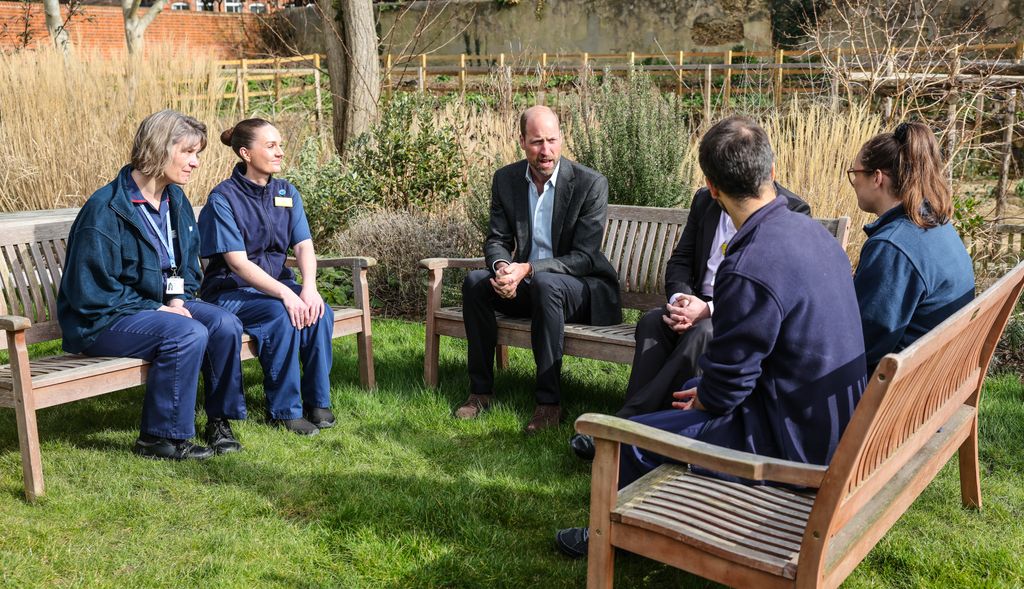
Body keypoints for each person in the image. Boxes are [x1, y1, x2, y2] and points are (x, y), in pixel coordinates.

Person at [555, 115, 867, 557]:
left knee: (627, 443)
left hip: (795, 445)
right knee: (686, 391)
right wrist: (705, 390)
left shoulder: (751, 264)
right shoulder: (816, 236)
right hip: (828, 418)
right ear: (771, 173)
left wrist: (707, 395)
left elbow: (727, 391)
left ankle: (610, 539)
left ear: (712, 187)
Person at [569, 183, 810, 460]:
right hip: (693, 301)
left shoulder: (790, 208)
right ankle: (643, 429)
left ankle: (625, 427)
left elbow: (770, 287)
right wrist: (681, 299)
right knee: (652, 322)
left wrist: (708, 309)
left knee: (703, 333)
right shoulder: (706, 199)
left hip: (739, 312)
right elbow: (681, 259)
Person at [57, 110, 246, 460]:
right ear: (159, 149)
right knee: (186, 333)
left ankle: (218, 422)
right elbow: (91, 294)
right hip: (101, 320)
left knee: (224, 324)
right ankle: (160, 438)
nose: (196, 163)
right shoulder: (106, 209)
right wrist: (158, 308)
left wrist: (177, 300)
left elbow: (187, 267)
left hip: (158, 309)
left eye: (198, 154)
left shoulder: (175, 200)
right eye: (188, 152)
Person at [456, 105, 622, 434]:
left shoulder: (590, 184)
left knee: (546, 283)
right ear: (522, 141)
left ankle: (548, 403)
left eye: (551, 140)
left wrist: (528, 269)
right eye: (536, 142)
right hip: (532, 285)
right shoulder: (506, 180)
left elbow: (584, 257)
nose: (545, 150)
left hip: (582, 289)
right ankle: (480, 392)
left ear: (561, 139)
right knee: (476, 282)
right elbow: (497, 239)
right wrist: (503, 267)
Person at [198, 118, 335, 436]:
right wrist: (287, 294)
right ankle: (284, 410)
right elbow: (238, 264)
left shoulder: (287, 192)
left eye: (280, 145)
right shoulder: (223, 198)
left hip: (273, 287)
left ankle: (317, 401)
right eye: (271, 146)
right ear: (246, 153)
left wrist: (309, 289)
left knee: (319, 311)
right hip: (229, 292)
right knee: (281, 314)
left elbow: (303, 246)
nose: (279, 152)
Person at [849, 122, 975, 375]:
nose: (852, 182)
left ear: (877, 178)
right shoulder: (935, 223)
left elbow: (858, 346)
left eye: (855, 173)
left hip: (894, 398)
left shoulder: (892, 247)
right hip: (934, 380)